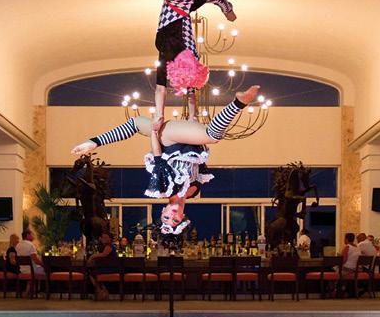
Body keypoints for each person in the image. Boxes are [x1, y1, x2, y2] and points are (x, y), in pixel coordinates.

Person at [56, 0, 236, 118]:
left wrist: (190, 116)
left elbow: (188, 93)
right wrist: (160, 116)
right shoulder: (167, 55)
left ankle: (228, 8)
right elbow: (161, 90)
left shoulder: (191, 55)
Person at [72, 85, 260, 234]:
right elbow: (198, 153)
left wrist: (155, 129)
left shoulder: (162, 189)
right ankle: (234, 102)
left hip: (166, 138)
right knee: (209, 135)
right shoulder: (193, 192)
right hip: (186, 137)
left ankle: (238, 103)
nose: (172, 216)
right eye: (176, 220)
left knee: (212, 136)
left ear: (163, 212)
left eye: (166, 218)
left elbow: (157, 157)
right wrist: (191, 94)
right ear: (183, 216)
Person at [86, 232, 118, 300]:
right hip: (108, 267)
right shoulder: (105, 246)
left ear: (110, 239)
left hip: (112, 269)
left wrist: (92, 256)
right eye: (103, 237)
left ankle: (100, 291)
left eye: (106, 237)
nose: (104, 239)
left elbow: (104, 254)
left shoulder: (109, 246)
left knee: (92, 274)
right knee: (93, 273)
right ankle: (102, 292)